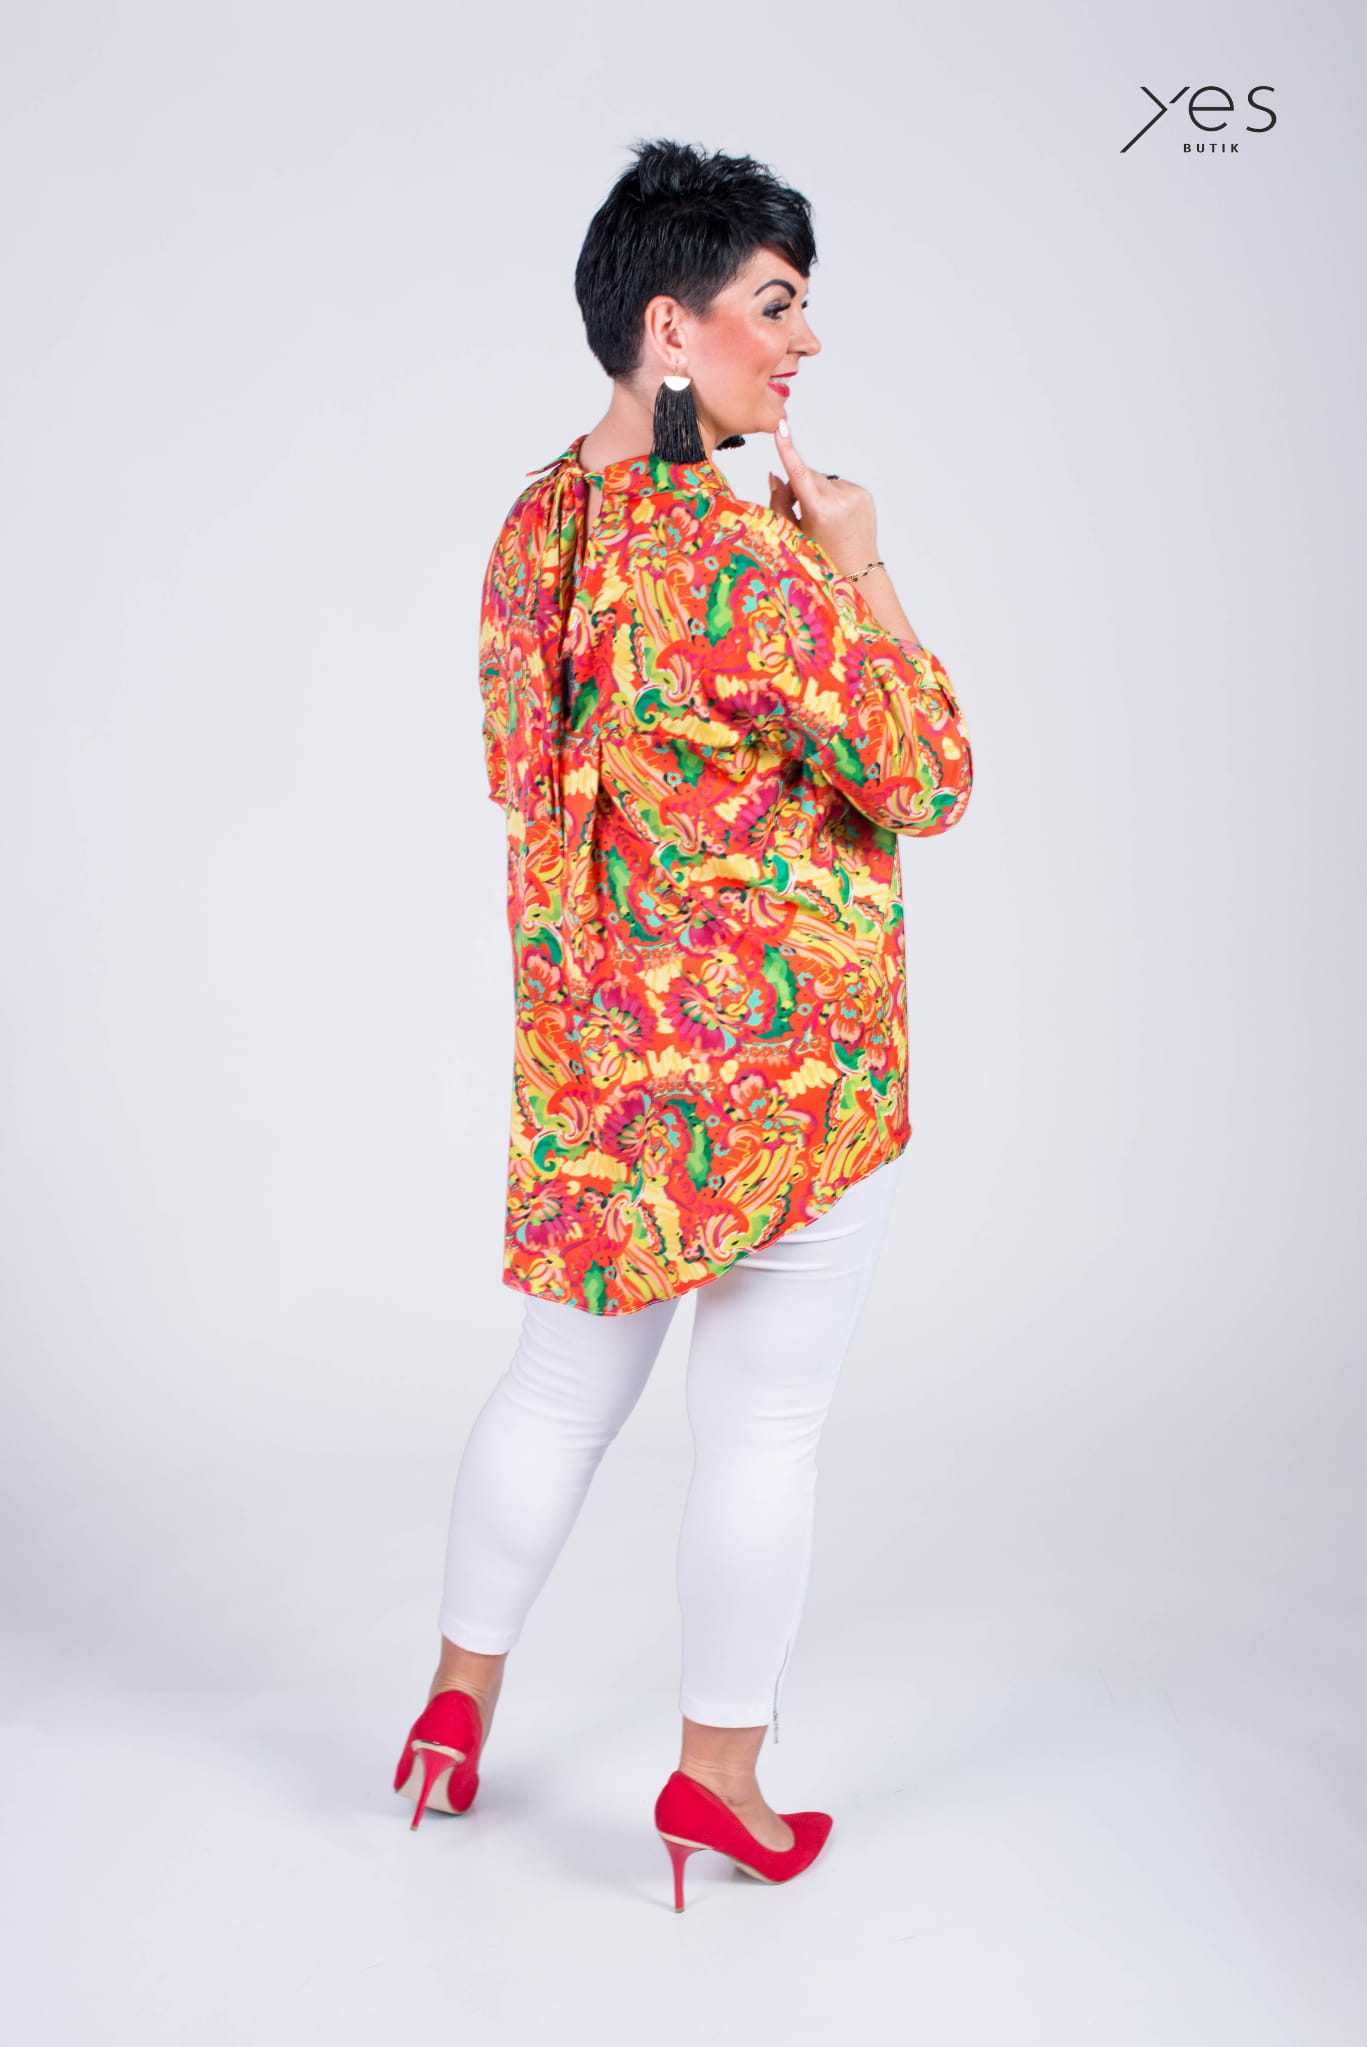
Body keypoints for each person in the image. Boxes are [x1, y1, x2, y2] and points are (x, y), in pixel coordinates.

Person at [393, 138, 974, 1911]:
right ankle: (718, 1784)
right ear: (670, 325)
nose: (803, 345)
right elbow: (932, 773)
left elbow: (520, 771)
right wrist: (860, 564)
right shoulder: (751, 563)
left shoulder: (532, 530)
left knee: (557, 1390)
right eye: (773, 308)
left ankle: (451, 1712)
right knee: (761, 1431)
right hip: (787, 1081)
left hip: (598, 1074)